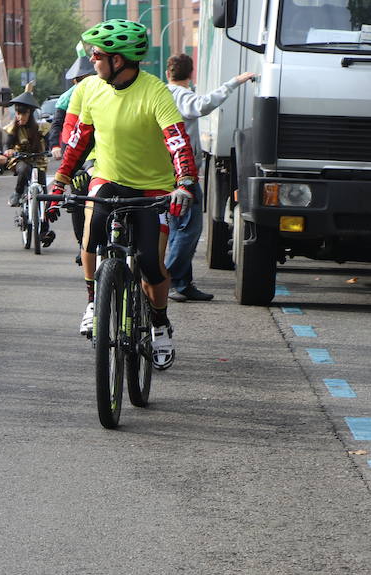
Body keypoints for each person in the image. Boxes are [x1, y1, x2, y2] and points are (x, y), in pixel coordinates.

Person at [49, 21, 198, 369]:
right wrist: (60, 181)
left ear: (120, 60)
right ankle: (92, 301)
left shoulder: (155, 91)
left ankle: (159, 323)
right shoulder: (93, 90)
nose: (92, 60)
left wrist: (185, 182)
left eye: (97, 54)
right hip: (108, 178)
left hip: (153, 187)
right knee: (92, 234)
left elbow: (176, 139)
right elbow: (78, 140)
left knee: (149, 262)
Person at [164, 53, 258, 302]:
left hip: (166, 173)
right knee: (189, 229)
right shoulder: (180, 95)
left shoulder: (161, 93)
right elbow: (204, 104)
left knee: (177, 230)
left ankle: (182, 284)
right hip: (183, 174)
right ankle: (166, 278)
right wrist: (235, 82)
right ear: (191, 74)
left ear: (167, 73)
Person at [49, 51, 98, 262]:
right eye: (77, 80)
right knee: (78, 194)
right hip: (77, 151)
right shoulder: (68, 98)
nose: (80, 83)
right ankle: (82, 244)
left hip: (105, 157)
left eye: (84, 79)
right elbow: (62, 127)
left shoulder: (104, 90)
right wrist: (56, 146)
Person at [0, 92, 55, 247]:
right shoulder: (12, 128)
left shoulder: (41, 128)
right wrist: (7, 152)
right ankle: (18, 192)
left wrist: (54, 149)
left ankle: (44, 231)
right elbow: (7, 145)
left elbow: (50, 142)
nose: (20, 116)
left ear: (30, 113)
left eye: (23, 113)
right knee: (24, 169)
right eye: (18, 113)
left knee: (43, 195)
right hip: (21, 160)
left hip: (39, 161)